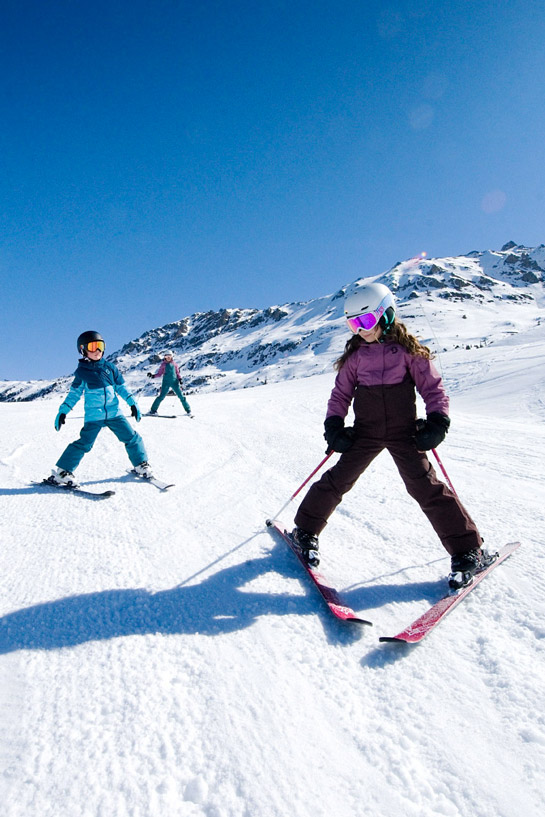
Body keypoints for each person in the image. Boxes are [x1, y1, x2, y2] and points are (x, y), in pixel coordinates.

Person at [290, 282, 494, 590]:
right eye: (353, 323)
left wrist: (437, 422)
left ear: (386, 314)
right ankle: (304, 530)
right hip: (365, 433)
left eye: (366, 321)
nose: (361, 330)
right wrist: (334, 425)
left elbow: (432, 389)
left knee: (426, 487)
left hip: (404, 433)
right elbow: (340, 395)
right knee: (338, 480)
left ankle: (468, 551)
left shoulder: (409, 352)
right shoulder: (356, 358)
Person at [50, 331, 153, 485]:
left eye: (100, 346)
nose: (97, 350)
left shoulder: (110, 368)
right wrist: (63, 411)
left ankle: (141, 465)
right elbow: (74, 394)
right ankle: (63, 471)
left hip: (114, 413)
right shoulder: (82, 372)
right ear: (83, 350)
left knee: (132, 437)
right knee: (84, 443)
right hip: (94, 416)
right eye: (93, 346)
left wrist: (132, 403)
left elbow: (122, 388)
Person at [147, 352, 192, 416]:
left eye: (169, 356)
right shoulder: (163, 365)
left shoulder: (175, 364)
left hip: (174, 382)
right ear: (164, 357)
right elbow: (159, 374)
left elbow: (177, 373)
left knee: (181, 396)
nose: (168, 357)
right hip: (166, 382)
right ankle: (153, 410)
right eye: (166, 356)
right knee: (161, 397)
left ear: (172, 357)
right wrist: (153, 376)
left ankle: (188, 410)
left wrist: (180, 379)